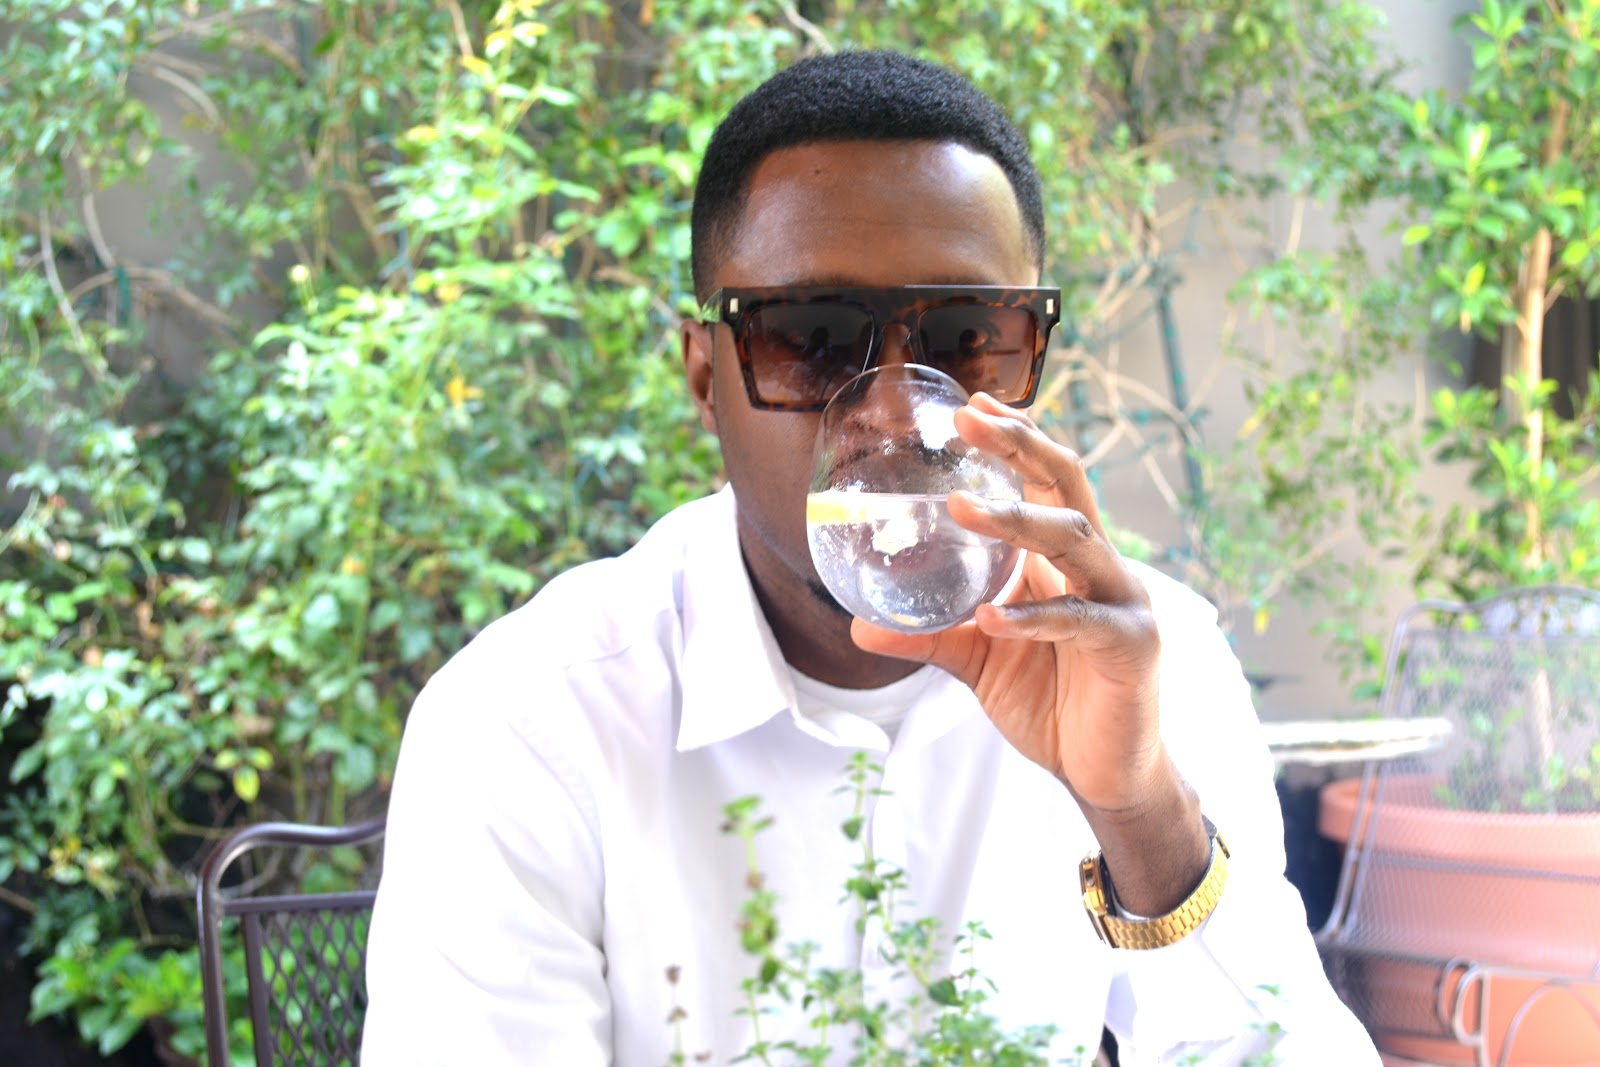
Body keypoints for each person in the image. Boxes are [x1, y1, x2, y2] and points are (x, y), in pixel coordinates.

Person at [361, 50, 1380, 1065]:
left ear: (1029, 351)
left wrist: (1138, 808)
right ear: (706, 377)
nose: (896, 410)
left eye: (967, 335)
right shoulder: (533, 721)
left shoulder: (1145, 663)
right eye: (811, 337)